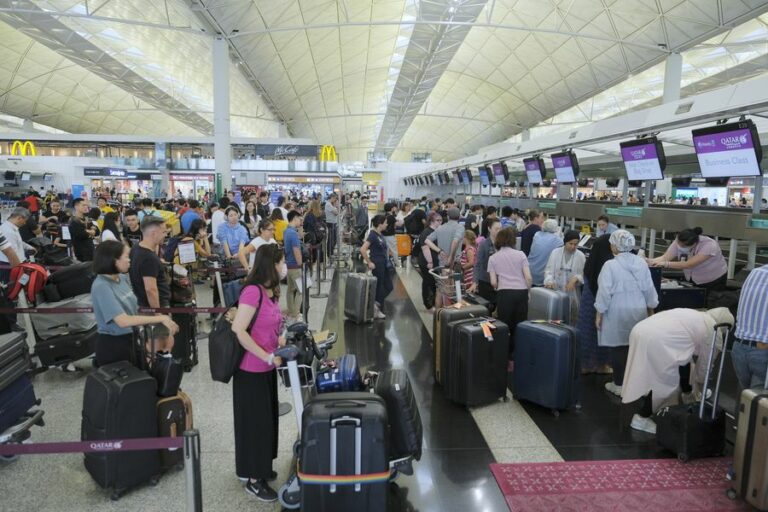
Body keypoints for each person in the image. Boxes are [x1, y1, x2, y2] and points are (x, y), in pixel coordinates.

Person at [231, 244, 287, 501]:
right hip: (251, 370)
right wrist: (265, 354)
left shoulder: (270, 291)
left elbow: (275, 320)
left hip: (268, 367)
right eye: (281, 262)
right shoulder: (252, 292)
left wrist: (283, 335)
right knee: (254, 425)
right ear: (271, 265)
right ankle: (253, 479)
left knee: (267, 422)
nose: (283, 267)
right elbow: (239, 330)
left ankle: (260, 467)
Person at [621, 308, 734, 434]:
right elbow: (705, 366)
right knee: (665, 382)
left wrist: (690, 390)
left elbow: (684, 357)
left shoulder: (697, 316)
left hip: (640, 330)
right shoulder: (714, 329)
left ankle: (686, 393)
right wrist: (700, 387)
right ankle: (641, 418)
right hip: (657, 339)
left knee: (681, 360)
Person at [91, 240, 178, 367]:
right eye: (126, 256)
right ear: (113, 260)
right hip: (114, 346)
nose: (129, 260)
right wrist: (162, 317)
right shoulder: (101, 286)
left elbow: (135, 310)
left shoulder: (122, 279)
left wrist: (163, 321)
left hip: (132, 339)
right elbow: (123, 321)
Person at [595, 230, 659, 397]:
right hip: (638, 309)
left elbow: (604, 292)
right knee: (637, 347)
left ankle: (619, 384)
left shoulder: (610, 265)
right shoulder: (641, 263)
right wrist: (651, 308)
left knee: (618, 348)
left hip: (617, 310)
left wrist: (599, 312)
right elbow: (649, 288)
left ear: (615, 246)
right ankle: (639, 385)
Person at [487, 226, 532, 363]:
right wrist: (528, 291)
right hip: (521, 293)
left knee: (505, 326)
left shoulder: (493, 258)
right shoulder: (521, 255)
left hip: (504, 294)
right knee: (520, 325)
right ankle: (518, 356)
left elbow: (493, 282)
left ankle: (505, 357)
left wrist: (500, 286)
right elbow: (528, 278)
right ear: (513, 240)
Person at [647, 227, 728, 291]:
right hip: (693, 278)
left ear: (694, 244)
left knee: (711, 305)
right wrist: (649, 261)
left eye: (683, 246)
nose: (679, 247)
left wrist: (666, 264)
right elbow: (664, 257)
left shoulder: (709, 245)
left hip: (713, 279)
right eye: (678, 243)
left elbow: (689, 264)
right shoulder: (680, 240)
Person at [577, 234, 613, 375]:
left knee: (588, 333)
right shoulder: (610, 264)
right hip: (603, 305)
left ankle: (585, 365)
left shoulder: (591, 262)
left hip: (588, 302)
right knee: (602, 333)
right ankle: (602, 365)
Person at [731, 264, 768, 391]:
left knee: (746, 402)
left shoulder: (755, 272)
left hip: (739, 347)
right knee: (759, 404)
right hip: (763, 351)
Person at [544, 229, 586, 323]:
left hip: (573, 294)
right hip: (556, 291)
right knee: (555, 318)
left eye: (576, 244)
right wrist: (549, 281)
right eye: (570, 243)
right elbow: (549, 271)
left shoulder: (580, 256)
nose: (573, 247)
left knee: (571, 319)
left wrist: (576, 279)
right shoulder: (555, 253)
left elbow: (584, 275)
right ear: (565, 242)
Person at [129, 216, 171, 309]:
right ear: (153, 233)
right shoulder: (148, 258)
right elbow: (151, 290)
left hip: (141, 302)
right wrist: (158, 314)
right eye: (164, 232)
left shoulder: (136, 248)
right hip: (155, 306)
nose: (166, 235)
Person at [361, 214, 392, 319]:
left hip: (384, 264)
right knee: (379, 287)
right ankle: (375, 309)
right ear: (380, 224)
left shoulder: (380, 234)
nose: (387, 224)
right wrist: (369, 262)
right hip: (377, 264)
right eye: (385, 222)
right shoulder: (373, 235)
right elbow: (363, 249)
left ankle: (374, 304)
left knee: (388, 286)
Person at [470, 217, 501, 307]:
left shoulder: (503, 244)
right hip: (486, 282)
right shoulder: (484, 245)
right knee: (487, 309)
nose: (499, 231)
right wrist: (475, 282)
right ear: (489, 229)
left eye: (500, 229)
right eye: (496, 229)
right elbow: (478, 264)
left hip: (500, 282)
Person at [416, 212, 442, 312]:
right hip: (426, 262)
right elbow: (425, 248)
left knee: (433, 283)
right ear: (431, 221)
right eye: (438, 220)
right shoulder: (426, 232)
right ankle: (428, 305)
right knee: (428, 283)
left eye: (441, 220)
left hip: (435, 261)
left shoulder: (437, 231)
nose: (440, 222)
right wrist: (430, 262)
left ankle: (433, 303)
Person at [528, 219, 564, 286]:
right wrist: (559, 234)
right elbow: (563, 244)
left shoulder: (537, 234)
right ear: (555, 229)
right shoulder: (557, 240)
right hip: (542, 276)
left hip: (529, 271)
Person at [283, 211, 303, 322]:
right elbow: (296, 250)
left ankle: (291, 312)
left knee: (290, 289)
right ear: (294, 218)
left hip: (288, 264)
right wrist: (300, 264)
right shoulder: (293, 233)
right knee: (301, 289)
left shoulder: (286, 231)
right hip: (295, 266)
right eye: (299, 219)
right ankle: (296, 313)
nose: (300, 221)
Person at [0, 208, 26, 281]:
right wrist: (20, 272)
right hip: (9, 264)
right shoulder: (8, 231)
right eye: (25, 221)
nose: (25, 223)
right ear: (19, 218)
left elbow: (19, 242)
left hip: (12, 263)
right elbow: (10, 252)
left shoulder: (11, 228)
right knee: (10, 289)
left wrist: (28, 247)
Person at [382, 203, 400, 268]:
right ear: (391, 208)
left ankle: (386, 263)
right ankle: (397, 264)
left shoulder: (384, 215)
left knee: (386, 250)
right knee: (394, 250)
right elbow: (397, 225)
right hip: (390, 236)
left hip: (384, 235)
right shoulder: (391, 216)